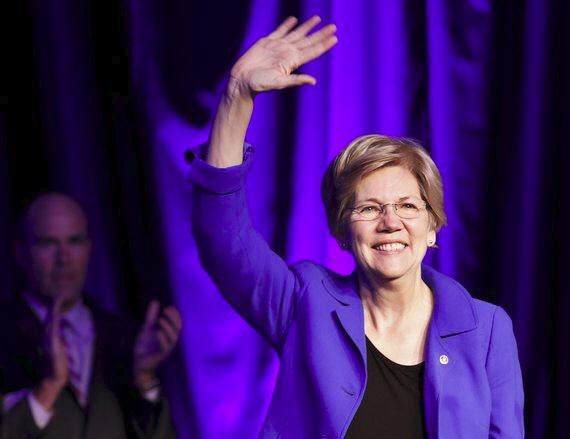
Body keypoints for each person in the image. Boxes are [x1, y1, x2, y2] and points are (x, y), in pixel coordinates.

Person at [189, 16, 524, 438]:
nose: (390, 222)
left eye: (407, 206)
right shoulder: (305, 304)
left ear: (433, 226)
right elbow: (224, 244)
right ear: (342, 231)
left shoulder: (488, 330)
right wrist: (237, 95)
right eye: (369, 209)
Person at [0, 192, 181, 439]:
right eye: (48, 243)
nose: (63, 259)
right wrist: (49, 387)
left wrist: (144, 378)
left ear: (89, 248)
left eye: (74, 241)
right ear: (20, 252)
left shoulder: (123, 337)